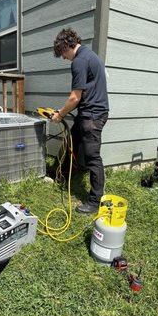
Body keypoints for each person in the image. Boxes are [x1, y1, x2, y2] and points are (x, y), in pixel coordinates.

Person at [51, 28, 109, 214]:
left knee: (93, 158)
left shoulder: (79, 61)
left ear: (67, 46)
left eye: (62, 53)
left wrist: (60, 114)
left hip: (92, 116)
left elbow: (75, 97)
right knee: (72, 141)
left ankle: (94, 201)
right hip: (90, 113)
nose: (63, 58)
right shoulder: (91, 56)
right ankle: (63, 174)